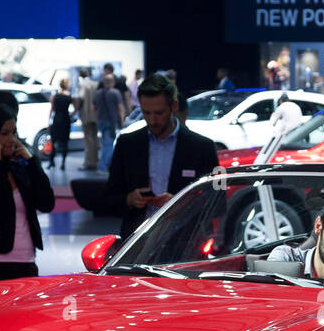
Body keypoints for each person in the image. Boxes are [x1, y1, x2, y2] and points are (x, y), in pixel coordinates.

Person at [103, 73, 220, 240]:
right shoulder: (127, 144)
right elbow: (109, 198)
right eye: (146, 113)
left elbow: (218, 200)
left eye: (159, 113)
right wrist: (129, 199)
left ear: (174, 106)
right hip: (136, 243)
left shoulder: (204, 147)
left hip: (186, 242)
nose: (152, 120)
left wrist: (180, 204)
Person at [0, 104, 55, 280]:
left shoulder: (19, 166)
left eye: (14, 133)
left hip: (27, 260)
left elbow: (47, 203)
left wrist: (32, 163)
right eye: (4, 133)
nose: (12, 139)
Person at [95, 73, 125, 173]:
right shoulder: (115, 93)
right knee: (108, 145)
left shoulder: (97, 93)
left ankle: (106, 166)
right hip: (111, 122)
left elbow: (94, 108)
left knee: (105, 144)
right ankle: (102, 167)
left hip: (100, 121)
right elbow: (120, 109)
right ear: (113, 82)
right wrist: (122, 121)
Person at [47, 77, 74, 169]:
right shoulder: (70, 96)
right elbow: (76, 107)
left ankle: (51, 161)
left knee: (53, 140)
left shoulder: (55, 96)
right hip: (65, 119)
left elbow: (52, 109)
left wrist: (49, 122)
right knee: (65, 142)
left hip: (57, 119)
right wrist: (71, 115)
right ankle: (63, 163)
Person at [77, 66, 99, 170]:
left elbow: (81, 98)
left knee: (88, 139)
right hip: (95, 114)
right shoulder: (95, 84)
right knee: (94, 138)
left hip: (86, 114)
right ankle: (95, 161)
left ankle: (89, 163)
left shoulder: (82, 84)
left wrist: (76, 110)